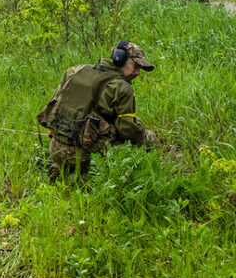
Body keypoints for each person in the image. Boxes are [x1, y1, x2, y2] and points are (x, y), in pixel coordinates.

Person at [37, 41, 158, 180]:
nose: (137, 73)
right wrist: (140, 126)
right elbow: (129, 131)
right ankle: (90, 175)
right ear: (120, 59)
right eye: (136, 66)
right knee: (148, 137)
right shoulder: (122, 87)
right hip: (84, 156)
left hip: (55, 148)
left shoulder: (75, 71)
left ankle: (63, 168)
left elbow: (53, 107)